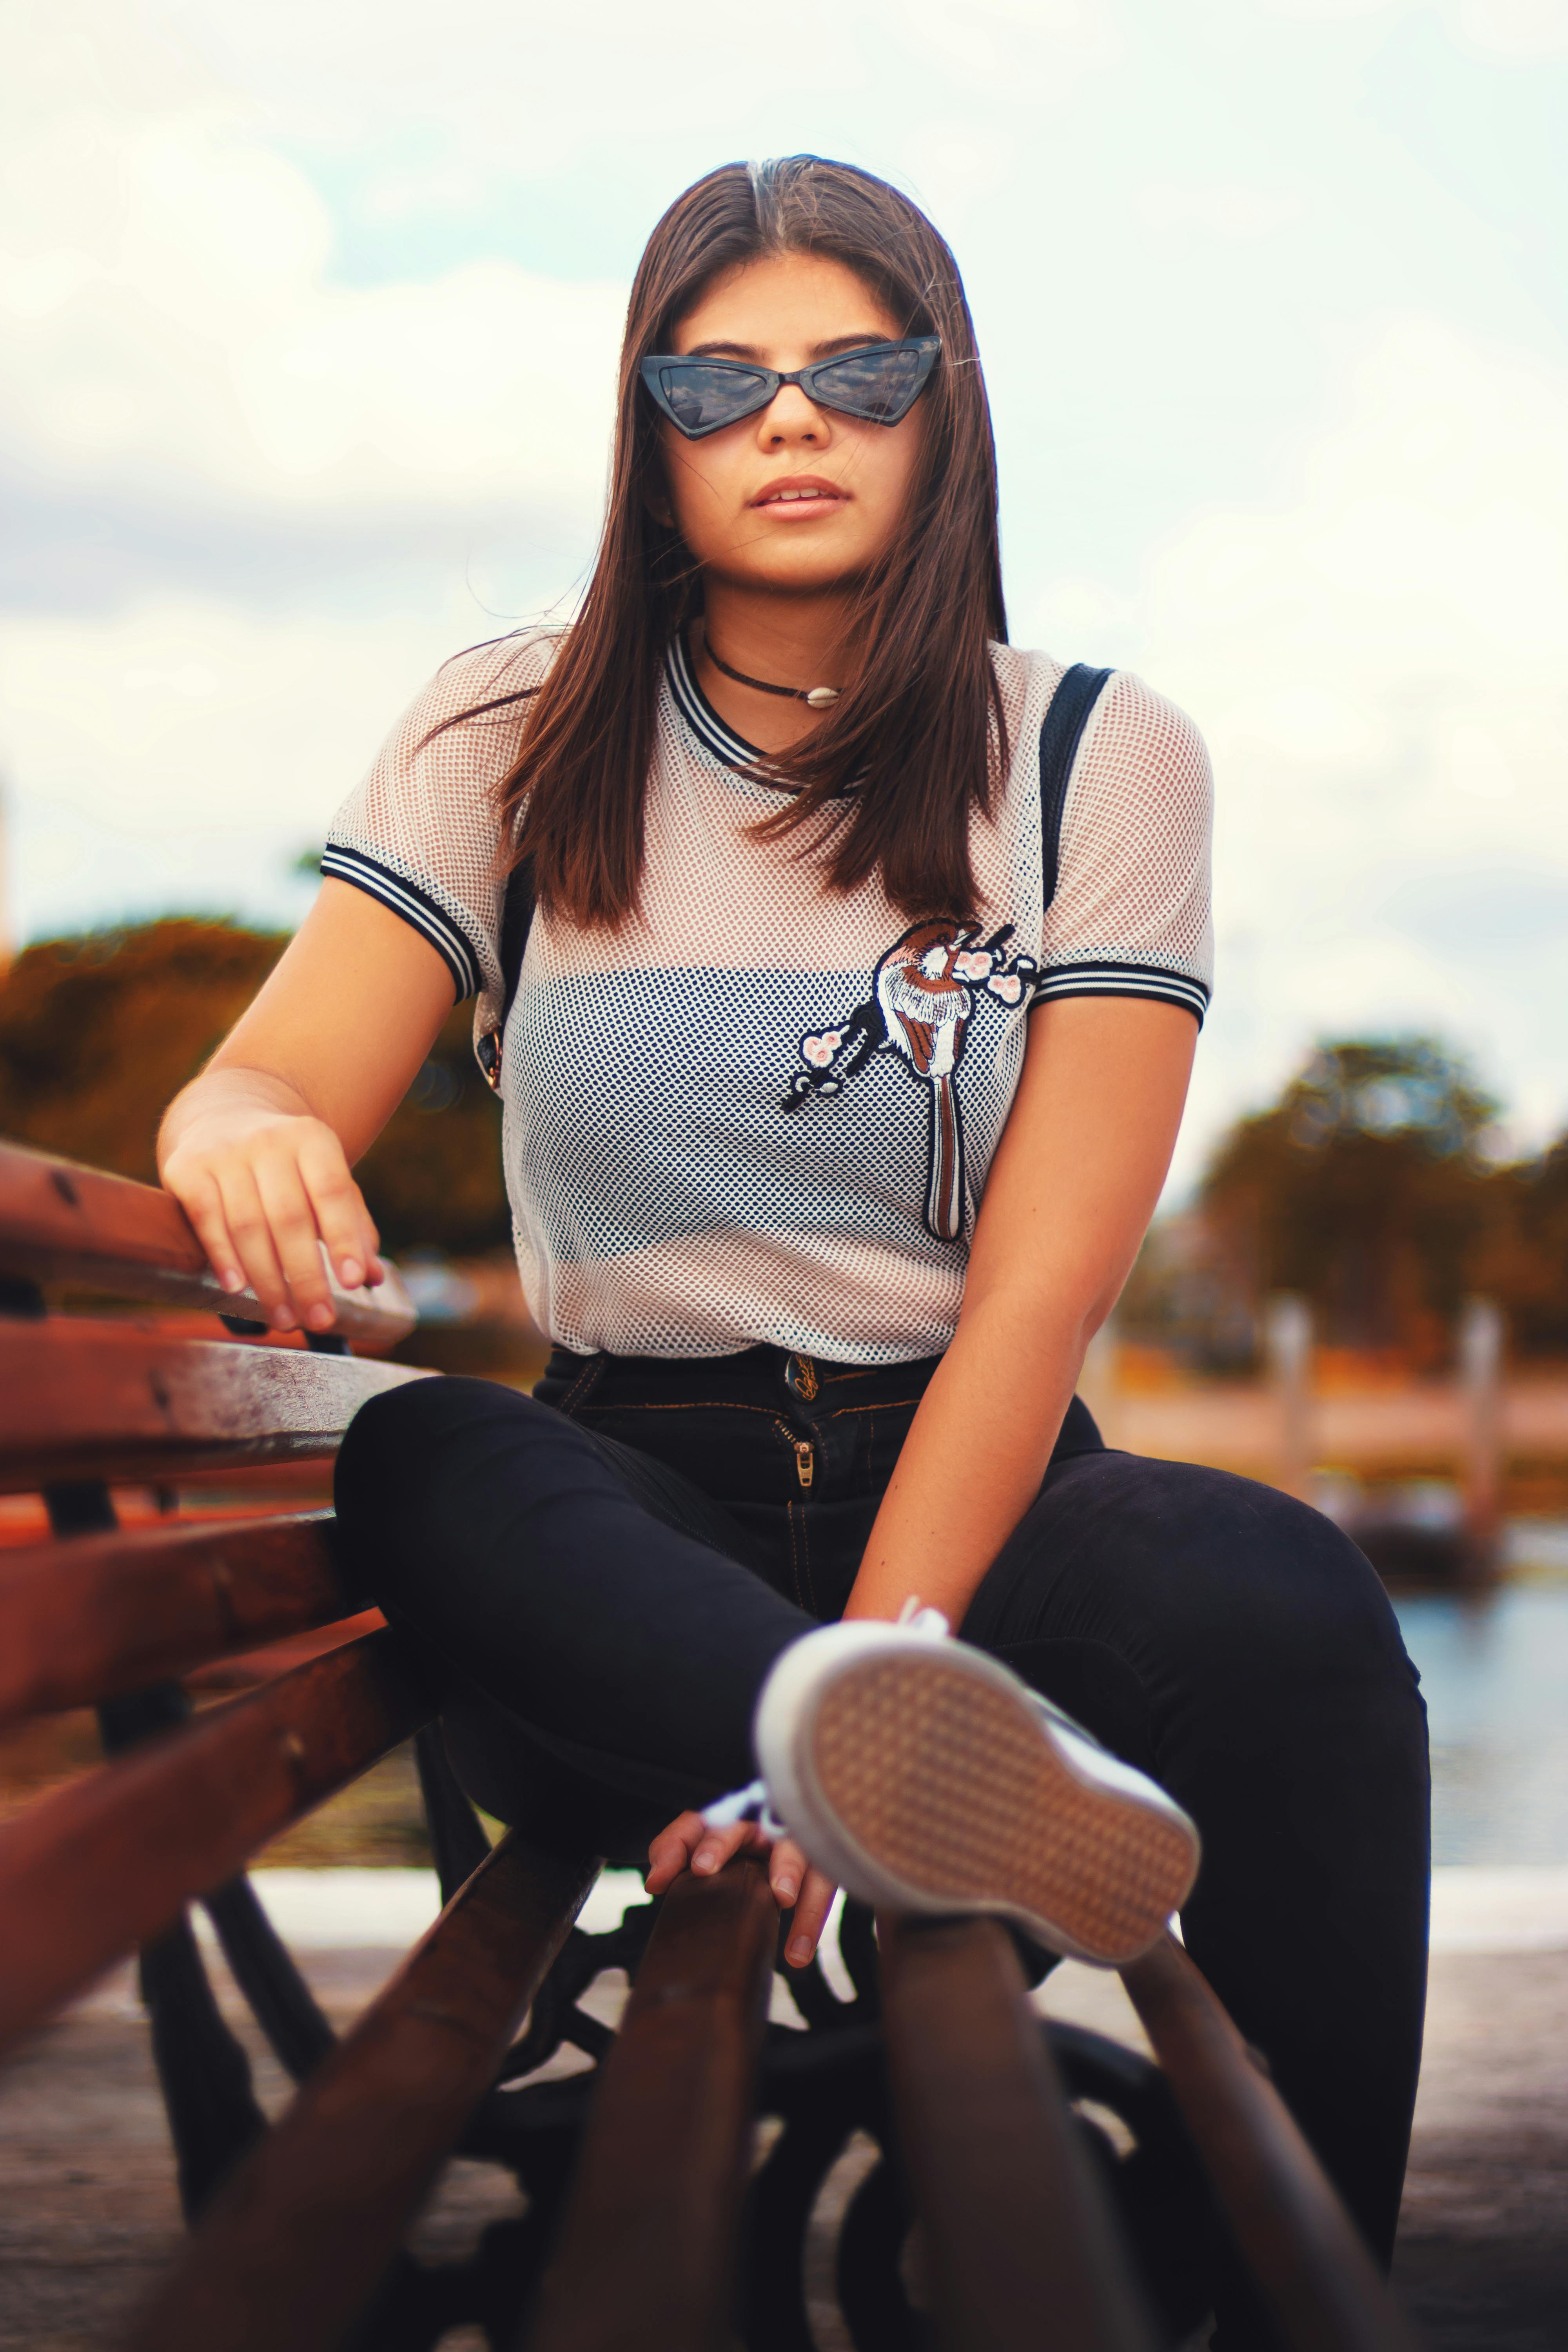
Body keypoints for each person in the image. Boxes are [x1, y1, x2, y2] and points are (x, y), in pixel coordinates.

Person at [158, 156, 1428, 2338]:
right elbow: (265, 1081)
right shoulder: (506, 731)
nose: (795, 420)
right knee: (428, 1460)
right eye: (720, 378)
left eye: (860, 368)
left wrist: (899, 1667)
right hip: (625, 1538)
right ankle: (824, 1742)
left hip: (983, 1489)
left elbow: (1037, 1296)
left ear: (946, 411)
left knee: (1289, 1602)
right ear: (647, 435)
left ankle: (1282, 2299)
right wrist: (236, 1125)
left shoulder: (1093, 757)